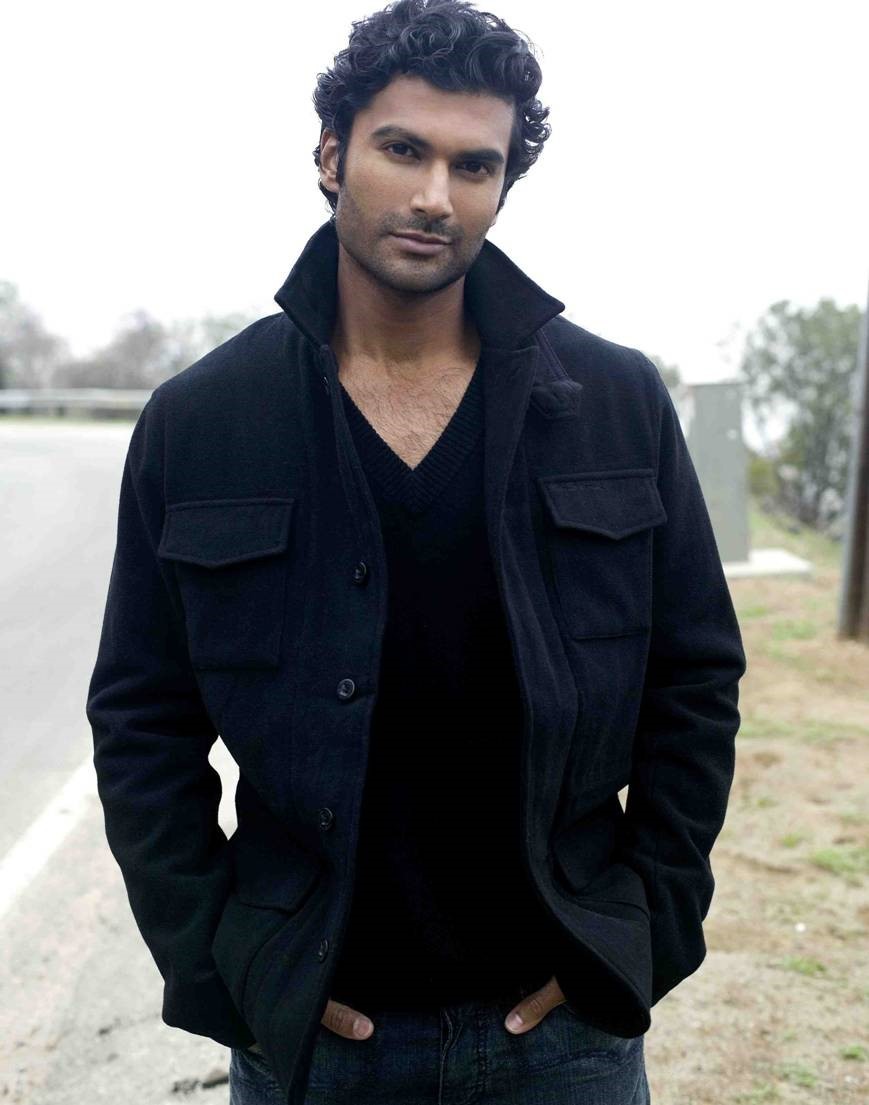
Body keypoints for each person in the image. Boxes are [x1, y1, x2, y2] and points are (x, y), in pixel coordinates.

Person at [86, 1, 746, 1102]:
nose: (436, 196)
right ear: (330, 153)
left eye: (473, 165)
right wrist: (220, 960)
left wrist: (647, 925)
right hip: (313, 1039)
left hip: (566, 1037)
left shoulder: (615, 405)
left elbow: (695, 681)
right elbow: (141, 717)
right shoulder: (202, 422)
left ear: (502, 184)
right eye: (402, 150)